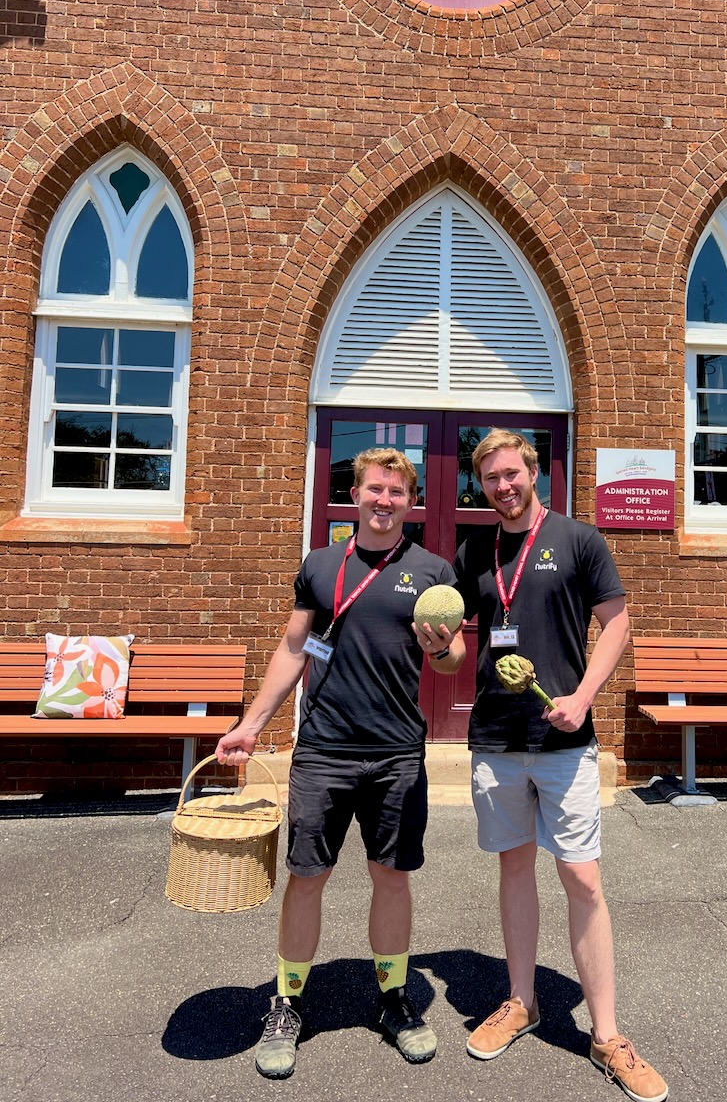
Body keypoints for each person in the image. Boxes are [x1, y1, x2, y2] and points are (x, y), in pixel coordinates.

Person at [216, 447, 465, 1080]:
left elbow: (452, 660)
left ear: (412, 501)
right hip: (323, 749)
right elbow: (293, 648)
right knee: (307, 878)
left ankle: (393, 998)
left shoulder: (433, 570)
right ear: (355, 494)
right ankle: (288, 1003)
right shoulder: (322, 565)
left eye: (398, 492)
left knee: (391, 876)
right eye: (375, 489)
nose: (386, 501)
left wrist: (442, 651)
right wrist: (251, 724)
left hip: (395, 754)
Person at [453, 429, 668, 1102]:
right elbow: (461, 648)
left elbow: (618, 622)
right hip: (494, 736)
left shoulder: (579, 540)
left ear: (534, 473)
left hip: (563, 739)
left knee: (580, 876)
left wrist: (582, 695)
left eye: (511, 473)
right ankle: (522, 1001)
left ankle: (607, 1034)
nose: (502, 485)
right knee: (514, 865)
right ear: (481, 483)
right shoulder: (473, 552)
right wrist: (435, 651)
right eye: (490, 477)